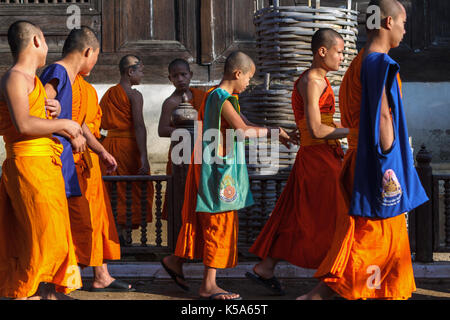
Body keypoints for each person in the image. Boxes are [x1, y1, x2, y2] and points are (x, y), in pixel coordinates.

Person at [299, 0, 428, 300]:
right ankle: (338, 294)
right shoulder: (377, 62)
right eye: (403, 23)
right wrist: (389, 167)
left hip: (361, 158)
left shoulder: (361, 61)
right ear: (387, 22)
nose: (405, 30)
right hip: (377, 164)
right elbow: (383, 116)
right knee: (373, 236)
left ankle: (321, 295)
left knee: (363, 233)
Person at [161, 51, 295, 300]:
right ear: (238, 73)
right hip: (218, 172)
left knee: (204, 221)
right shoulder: (221, 99)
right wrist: (274, 131)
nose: (248, 84)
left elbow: (244, 122)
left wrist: (277, 134)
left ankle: (174, 260)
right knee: (218, 224)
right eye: (249, 79)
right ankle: (208, 285)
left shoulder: (218, 96)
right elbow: (243, 131)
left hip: (212, 167)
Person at [246, 28, 349, 296]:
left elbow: (316, 122)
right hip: (319, 159)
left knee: (295, 213)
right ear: (322, 51)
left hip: (318, 154)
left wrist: (343, 126)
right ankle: (335, 273)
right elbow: (316, 129)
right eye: (339, 51)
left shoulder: (316, 79)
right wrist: (356, 132)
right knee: (337, 214)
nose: (342, 57)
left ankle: (266, 267)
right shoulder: (313, 81)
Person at [41, 26, 131, 292]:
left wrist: (102, 151)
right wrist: (64, 123)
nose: (95, 63)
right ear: (88, 51)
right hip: (55, 161)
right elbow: (37, 107)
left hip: (70, 161)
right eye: (96, 57)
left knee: (84, 222)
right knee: (61, 226)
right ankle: (50, 288)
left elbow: (78, 124)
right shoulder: (57, 72)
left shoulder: (73, 81)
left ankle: (78, 281)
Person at [0, 20, 82, 300]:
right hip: (28, 167)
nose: (48, 48)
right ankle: (29, 291)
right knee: (38, 234)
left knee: (54, 232)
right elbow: (22, 124)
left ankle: (47, 292)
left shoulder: (34, 82)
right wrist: (64, 125)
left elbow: (35, 114)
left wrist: (54, 111)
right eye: (46, 42)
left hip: (46, 166)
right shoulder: (14, 77)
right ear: (37, 40)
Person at [99, 55, 154, 237]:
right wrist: (144, 157)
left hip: (109, 146)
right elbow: (139, 125)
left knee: (114, 190)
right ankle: (124, 235)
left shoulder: (109, 94)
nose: (143, 75)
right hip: (128, 148)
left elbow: (96, 123)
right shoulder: (134, 95)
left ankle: (116, 234)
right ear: (130, 71)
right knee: (130, 189)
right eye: (141, 71)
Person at [159, 58, 207, 221]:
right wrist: (187, 132)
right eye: (175, 76)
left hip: (200, 153)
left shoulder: (201, 96)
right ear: (170, 79)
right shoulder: (170, 103)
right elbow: (162, 129)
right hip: (179, 155)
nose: (180, 79)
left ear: (190, 75)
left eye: (183, 74)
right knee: (179, 194)